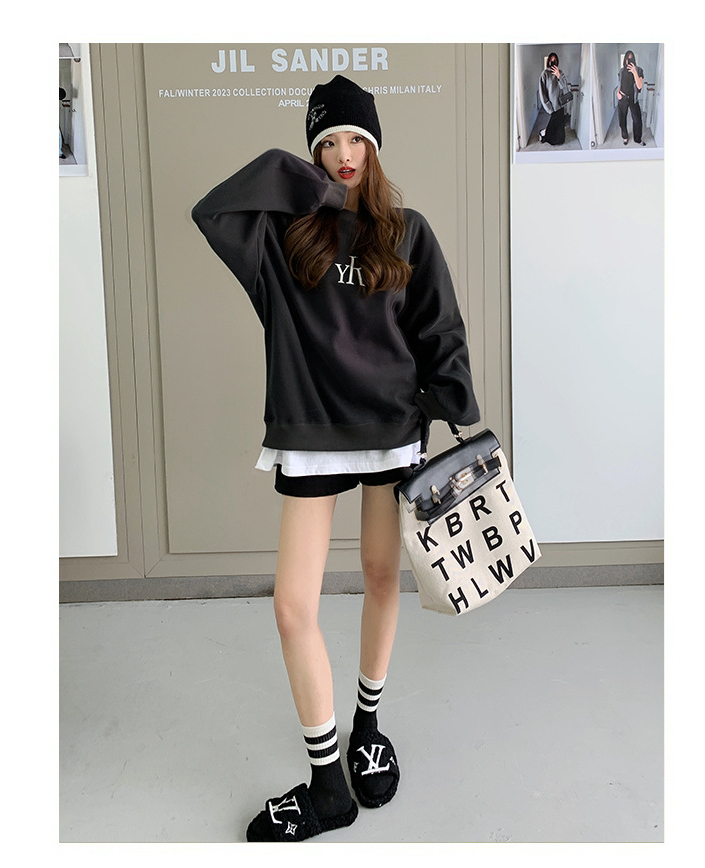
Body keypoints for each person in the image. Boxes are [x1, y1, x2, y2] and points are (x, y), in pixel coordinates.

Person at [192, 75, 480, 842]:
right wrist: (304, 184)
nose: (344, 154)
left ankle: (368, 727)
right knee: (293, 608)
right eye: (327, 143)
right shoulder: (285, 236)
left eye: (356, 139)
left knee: (383, 577)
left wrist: (448, 401)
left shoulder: (407, 232)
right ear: (311, 154)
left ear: (375, 147)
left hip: (390, 427)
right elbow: (213, 210)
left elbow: (439, 326)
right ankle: (328, 784)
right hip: (311, 431)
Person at [538, 52, 571, 146]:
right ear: (548, 61)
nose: (552, 62)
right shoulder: (544, 74)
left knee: (560, 128)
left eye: (554, 61)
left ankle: (545, 133)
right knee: (553, 126)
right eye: (551, 61)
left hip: (561, 104)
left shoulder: (560, 72)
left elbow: (565, 88)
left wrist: (559, 76)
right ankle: (544, 134)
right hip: (552, 105)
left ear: (557, 61)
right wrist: (548, 107)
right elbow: (542, 93)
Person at [617, 50, 646, 146]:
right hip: (622, 98)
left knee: (637, 120)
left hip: (633, 99)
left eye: (631, 59)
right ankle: (625, 137)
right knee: (622, 119)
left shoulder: (639, 70)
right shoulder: (621, 71)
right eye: (627, 58)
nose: (628, 61)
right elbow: (620, 84)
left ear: (634, 60)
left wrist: (634, 72)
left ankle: (637, 139)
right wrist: (618, 93)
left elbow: (639, 86)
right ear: (625, 60)